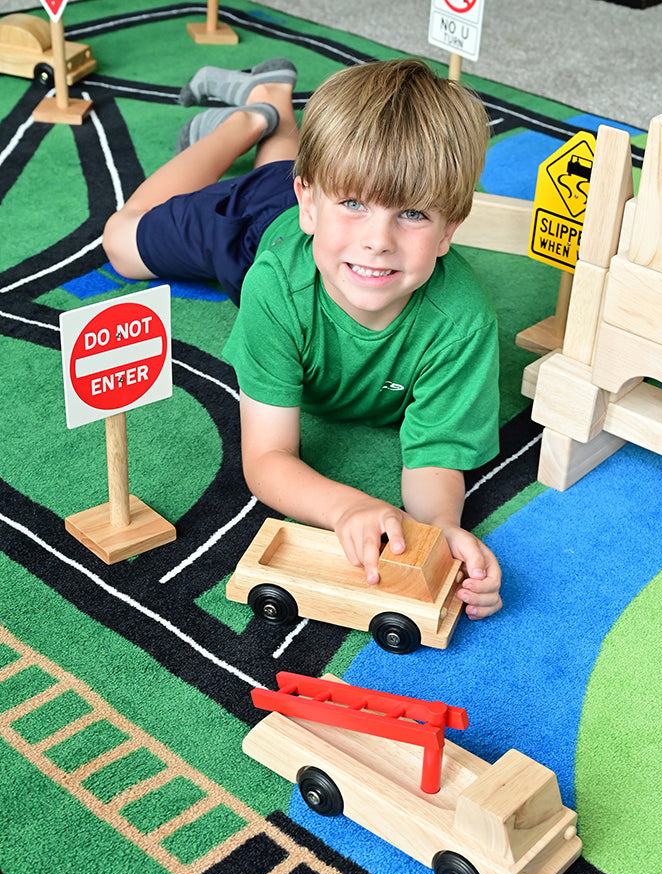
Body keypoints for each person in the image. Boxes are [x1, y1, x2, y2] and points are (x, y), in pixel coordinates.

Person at [103, 58, 503, 620]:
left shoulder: (461, 320)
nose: (377, 242)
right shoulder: (277, 287)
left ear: (449, 231)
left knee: (287, 169)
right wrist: (347, 508)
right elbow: (267, 458)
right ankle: (244, 123)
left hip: (300, 194)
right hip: (255, 229)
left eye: (412, 213)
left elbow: (435, 457)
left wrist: (438, 536)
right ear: (310, 205)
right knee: (121, 242)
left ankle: (274, 102)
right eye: (355, 205)